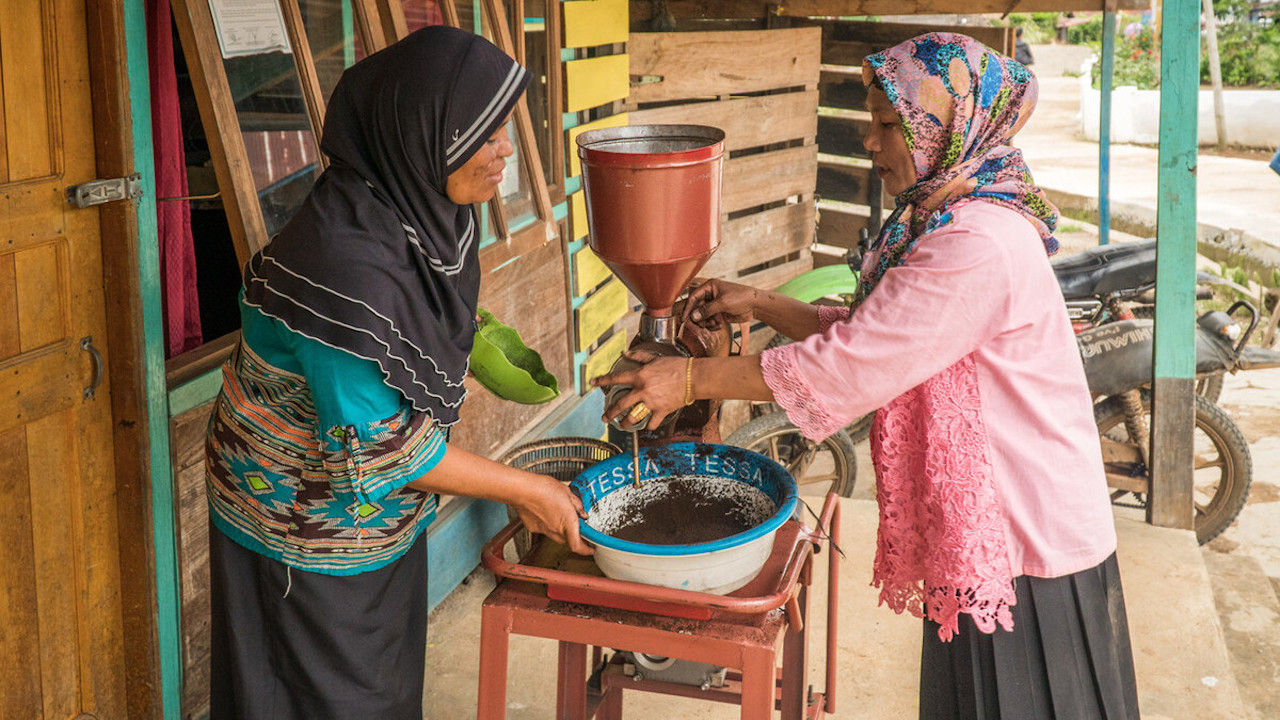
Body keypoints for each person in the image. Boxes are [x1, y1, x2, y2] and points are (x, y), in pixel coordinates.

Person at [594, 33, 1139, 719]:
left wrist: (690, 381)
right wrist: (762, 303)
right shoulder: (940, 218)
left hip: (1026, 539)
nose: (871, 146)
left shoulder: (977, 242)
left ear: (948, 125)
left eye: (888, 125)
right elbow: (878, 333)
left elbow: (853, 364)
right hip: (981, 528)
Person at [205, 26, 589, 720]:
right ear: (421, 135)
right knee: (322, 693)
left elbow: (415, 313)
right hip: (296, 524)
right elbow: (380, 449)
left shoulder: (415, 211)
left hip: (377, 520)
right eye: (485, 134)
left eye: (507, 129)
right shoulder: (342, 276)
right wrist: (526, 490)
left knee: (379, 680)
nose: (505, 150)